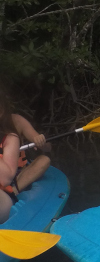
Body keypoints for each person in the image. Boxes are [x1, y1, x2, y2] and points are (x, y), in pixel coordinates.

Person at [0, 88, 51, 223]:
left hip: (18, 171)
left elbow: (46, 147)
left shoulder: (16, 122)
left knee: (44, 160)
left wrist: (40, 142)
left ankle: (15, 190)